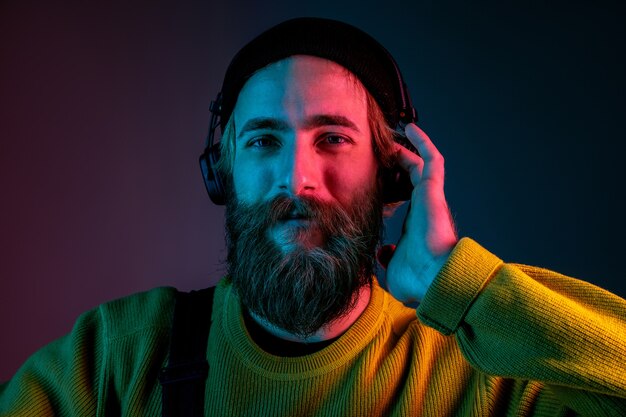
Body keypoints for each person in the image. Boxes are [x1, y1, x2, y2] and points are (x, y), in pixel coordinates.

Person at [1, 17, 625, 417]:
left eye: (332, 139)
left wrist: (463, 289)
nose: (296, 179)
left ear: (392, 175)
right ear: (223, 174)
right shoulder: (115, 359)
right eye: (263, 142)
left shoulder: (481, 367)